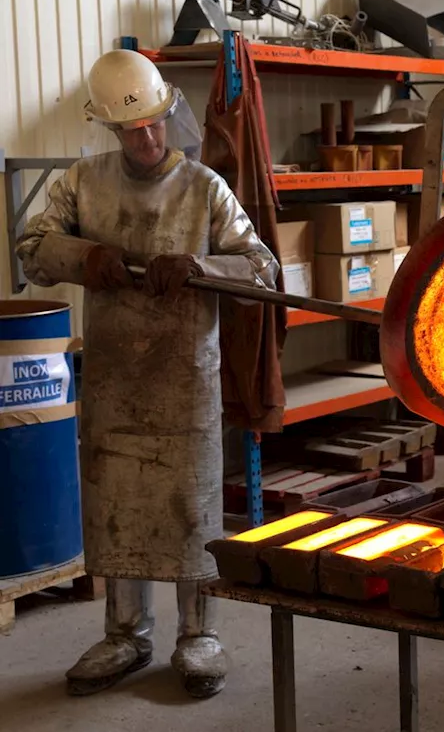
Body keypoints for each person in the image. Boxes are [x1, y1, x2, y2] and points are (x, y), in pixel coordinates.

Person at [16, 49, 279, 699]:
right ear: (109, 128)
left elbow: (263, 270)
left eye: (156, 122)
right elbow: (31, 250)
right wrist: (86, 257)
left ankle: (198, 634)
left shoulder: (203, 188)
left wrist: (198, 267)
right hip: (114, 383)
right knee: (118, 512)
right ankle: (125, 632)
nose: (149, 136)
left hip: (184, 380)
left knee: (190, 511)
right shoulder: (83, 183)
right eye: (133, 129)